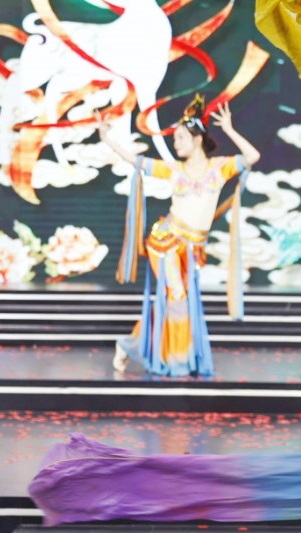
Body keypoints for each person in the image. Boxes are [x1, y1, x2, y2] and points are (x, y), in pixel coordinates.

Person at [103, 96, 261, 378]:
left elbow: (252, 157)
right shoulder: (173, 169)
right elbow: (135, 160)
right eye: (175, 138)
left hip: (193, 247)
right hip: (167, 242)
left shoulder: (220, 167)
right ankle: (178, 360)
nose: (175, 143)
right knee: (177, 295)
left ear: (197, 139)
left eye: (180, 138)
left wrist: (228, 129)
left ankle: (129, 344)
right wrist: (107, 139)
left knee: (174, 301)